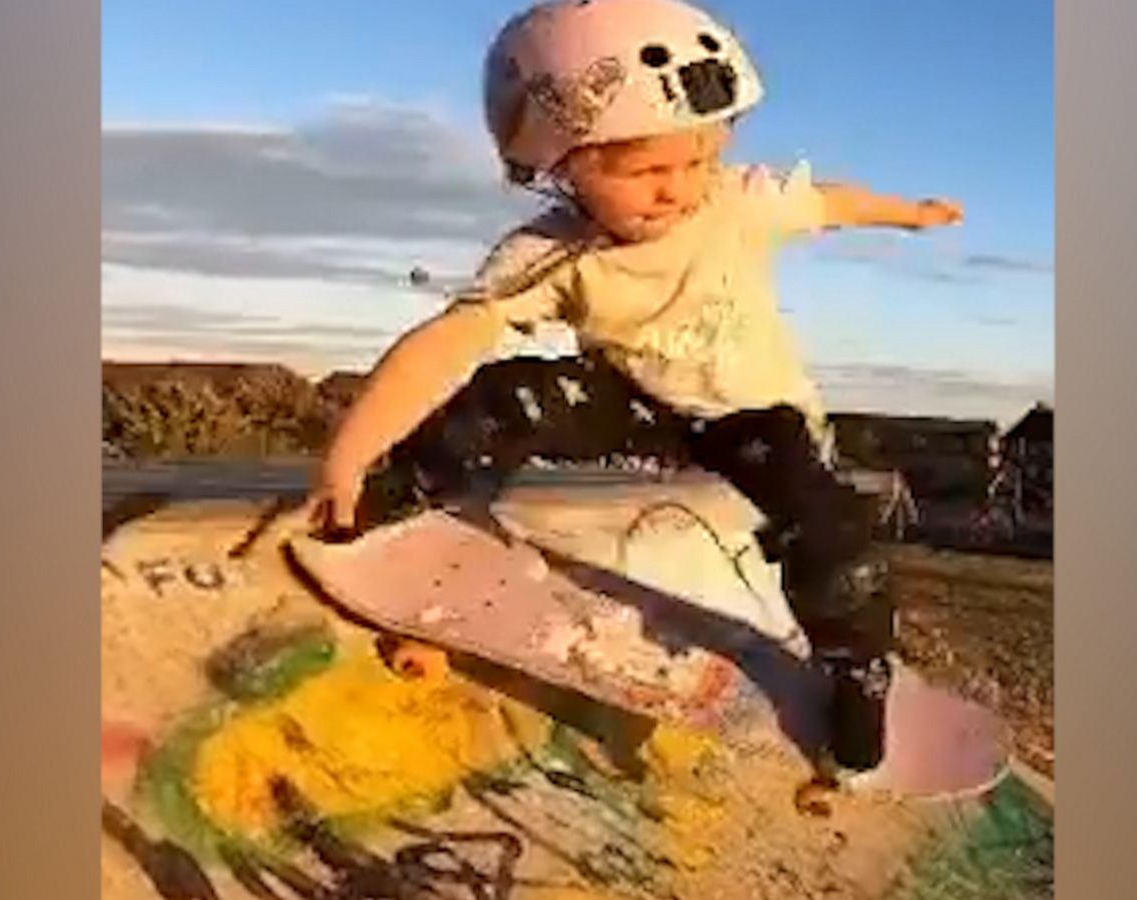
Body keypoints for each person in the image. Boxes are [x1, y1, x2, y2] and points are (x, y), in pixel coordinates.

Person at [306, 0, 961, 779]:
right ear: (563, 163)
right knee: (506, 393)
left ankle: (858, 669)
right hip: (633, 399)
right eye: (646, 170)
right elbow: (443, 345)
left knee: (829, 533)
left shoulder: (737, 202)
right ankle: (403, 509)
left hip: (752, 413)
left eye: (699, 162)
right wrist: (349, 454)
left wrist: (910, 215)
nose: (678, 190)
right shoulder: (547, 255)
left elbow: (830, 203)